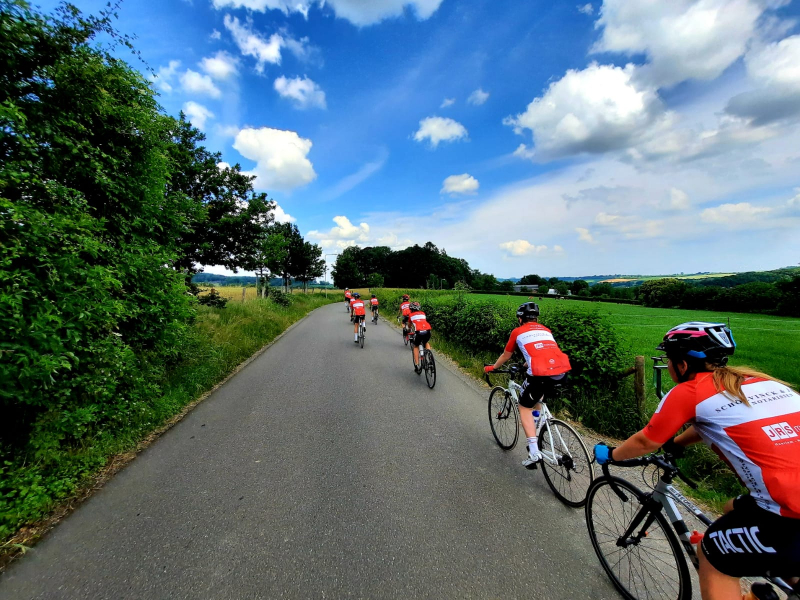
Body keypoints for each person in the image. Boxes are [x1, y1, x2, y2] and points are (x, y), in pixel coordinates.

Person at [593, 322, 800, 600]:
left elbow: (646, 441)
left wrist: (613, 454)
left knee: (711, 551)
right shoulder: (760, 381)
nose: (667, 365)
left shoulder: (689, 392)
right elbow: (713, 425)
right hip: (782, 498)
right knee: (731, 508)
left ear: (681, 363)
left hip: (789, 510)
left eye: (668, 359)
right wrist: (677, 444)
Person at [484, 302, 571, 467]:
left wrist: (492, 367)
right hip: (561, 371)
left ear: (520, 319)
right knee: (536, 398)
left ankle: (533, 451)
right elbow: (545, 353)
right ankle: (538, 427)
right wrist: (525, 365)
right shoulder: (546, 330)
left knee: (524, 406)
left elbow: (506, 355)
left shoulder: (517, 332)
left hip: (541, 374)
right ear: (536, 318)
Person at [407, 301, 431, 373]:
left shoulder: (411, 315)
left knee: (416, 346)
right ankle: (429, 357)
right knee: (426, 342)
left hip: (419, 332)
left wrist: (408, 330)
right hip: (428, 330)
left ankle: (417, 365)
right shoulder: (423, 313)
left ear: (410, 308)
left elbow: (409, 325)